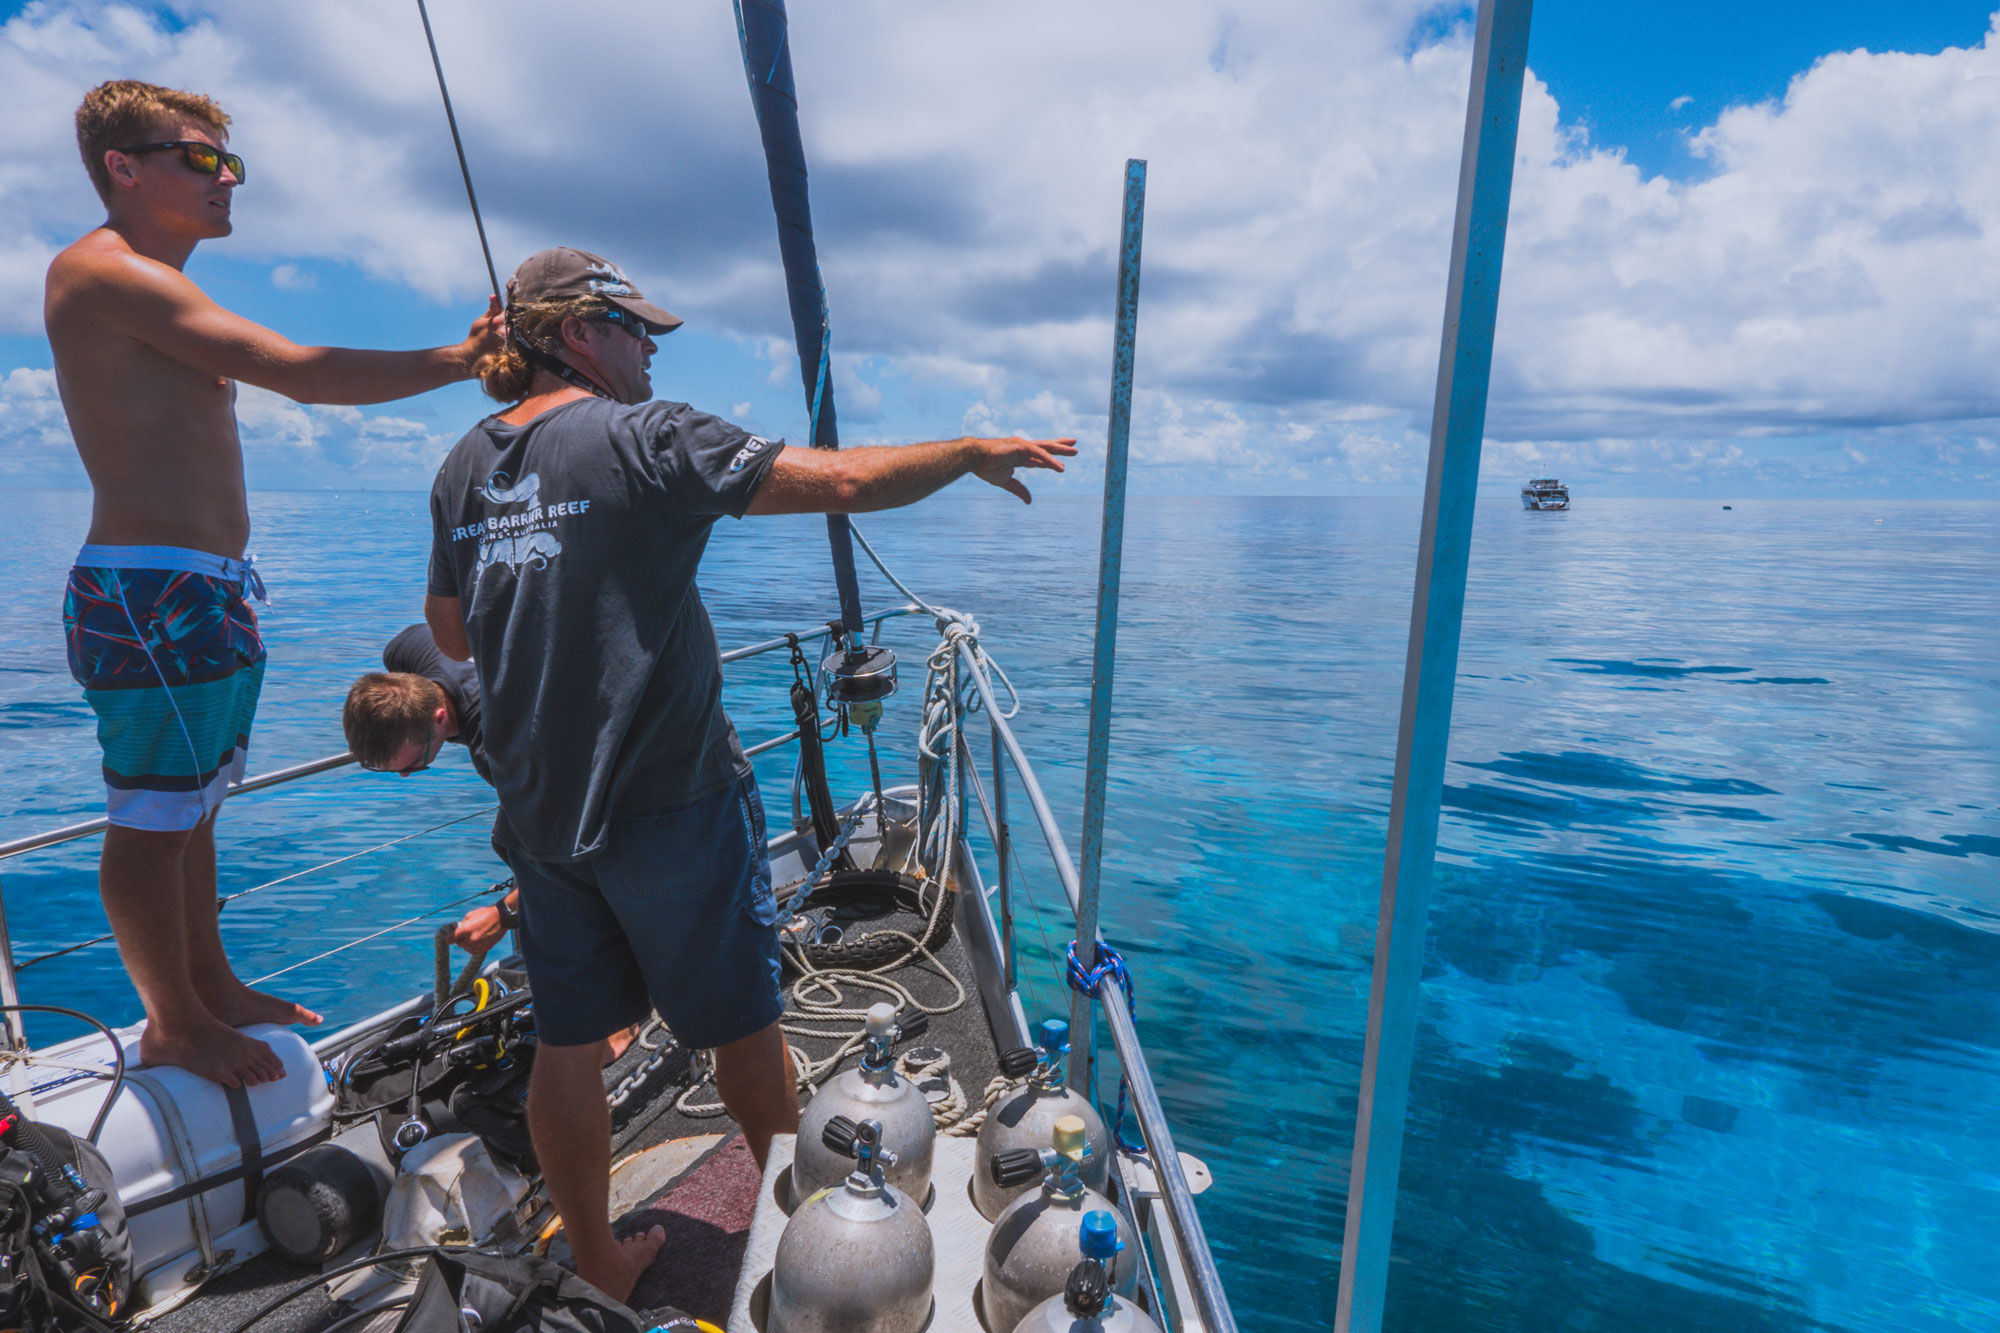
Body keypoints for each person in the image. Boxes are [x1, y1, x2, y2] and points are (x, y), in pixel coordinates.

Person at [424, 246, 1076, 1300]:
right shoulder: (647, 435)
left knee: (566, 1043)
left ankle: (595, 1258)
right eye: (637, 329)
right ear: (580, 333)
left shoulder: (463, 463)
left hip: (540, 812)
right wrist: (963, 449)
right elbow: (847, 481)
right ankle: (808, 1262)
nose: (648, 349)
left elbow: (449, 627)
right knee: (742, 1028)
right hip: (670, 799)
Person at [46, 80, 505, 1090]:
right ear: (124, 168)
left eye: (229, 162)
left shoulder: (160, 284)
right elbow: (296, 369)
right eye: (199, 159)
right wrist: (463, 357)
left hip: (199, 589)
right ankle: (171, 1021)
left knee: (197, 806)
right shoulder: (105, 272)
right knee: (151, 814)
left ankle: (209, 986)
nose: (224, 179)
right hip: (148, 593)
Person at [341, 626, 643, 1062]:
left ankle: (619, 1012)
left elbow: (563, 861)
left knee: (563, 870)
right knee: (524, 849)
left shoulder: (498, 746)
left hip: (604, 754)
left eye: (415, 764)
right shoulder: (410, 653)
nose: (407, 776)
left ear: (440, 717)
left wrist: (501, 915)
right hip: (561, 710)